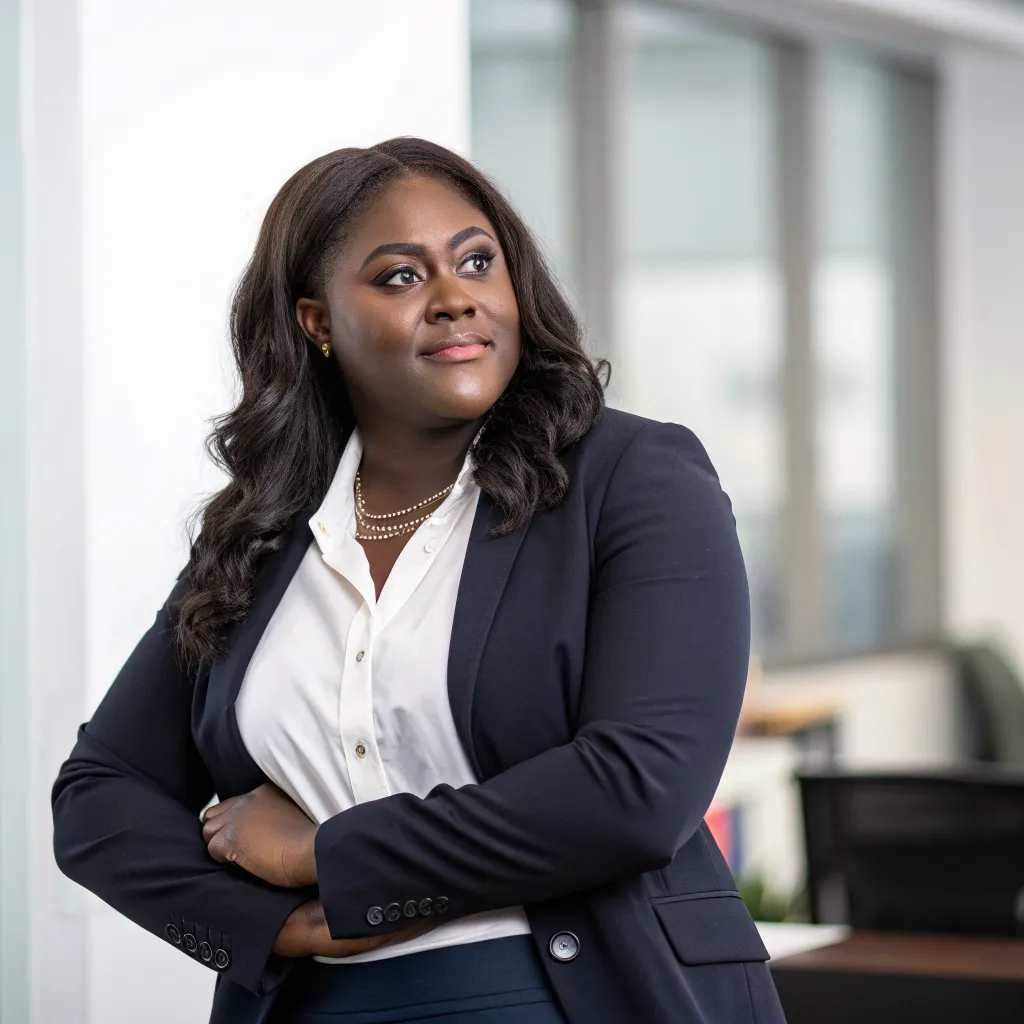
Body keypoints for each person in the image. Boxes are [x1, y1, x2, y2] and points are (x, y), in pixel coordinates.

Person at [52, 137, 786, 1024]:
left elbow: (636, 792)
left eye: (478, 261)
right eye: (401, 277)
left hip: (577, 993)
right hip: (315, 1005)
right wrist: (267, 922)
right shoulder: (264, 530)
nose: (454, 299)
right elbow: (98, 797)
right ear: (318, 322)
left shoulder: (635, 478)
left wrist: (330, 854)